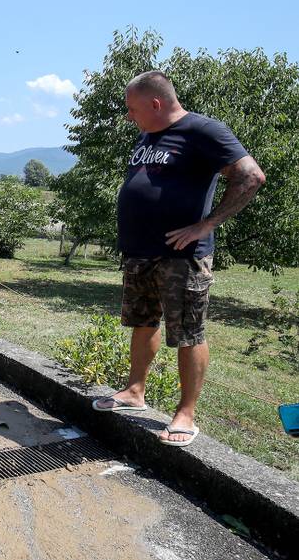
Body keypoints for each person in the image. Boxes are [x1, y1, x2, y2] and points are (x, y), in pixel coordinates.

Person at [92, 71, 266, 447]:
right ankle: (134, 391)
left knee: (188, 332)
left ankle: (186, 413)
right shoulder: (147, 135)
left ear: (156, 104)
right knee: (143, 321)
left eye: (132, 108)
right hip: (141, 251)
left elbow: (251, 177)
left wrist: (205, 226)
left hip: (182, 257)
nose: (128, 116)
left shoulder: (204, 131)